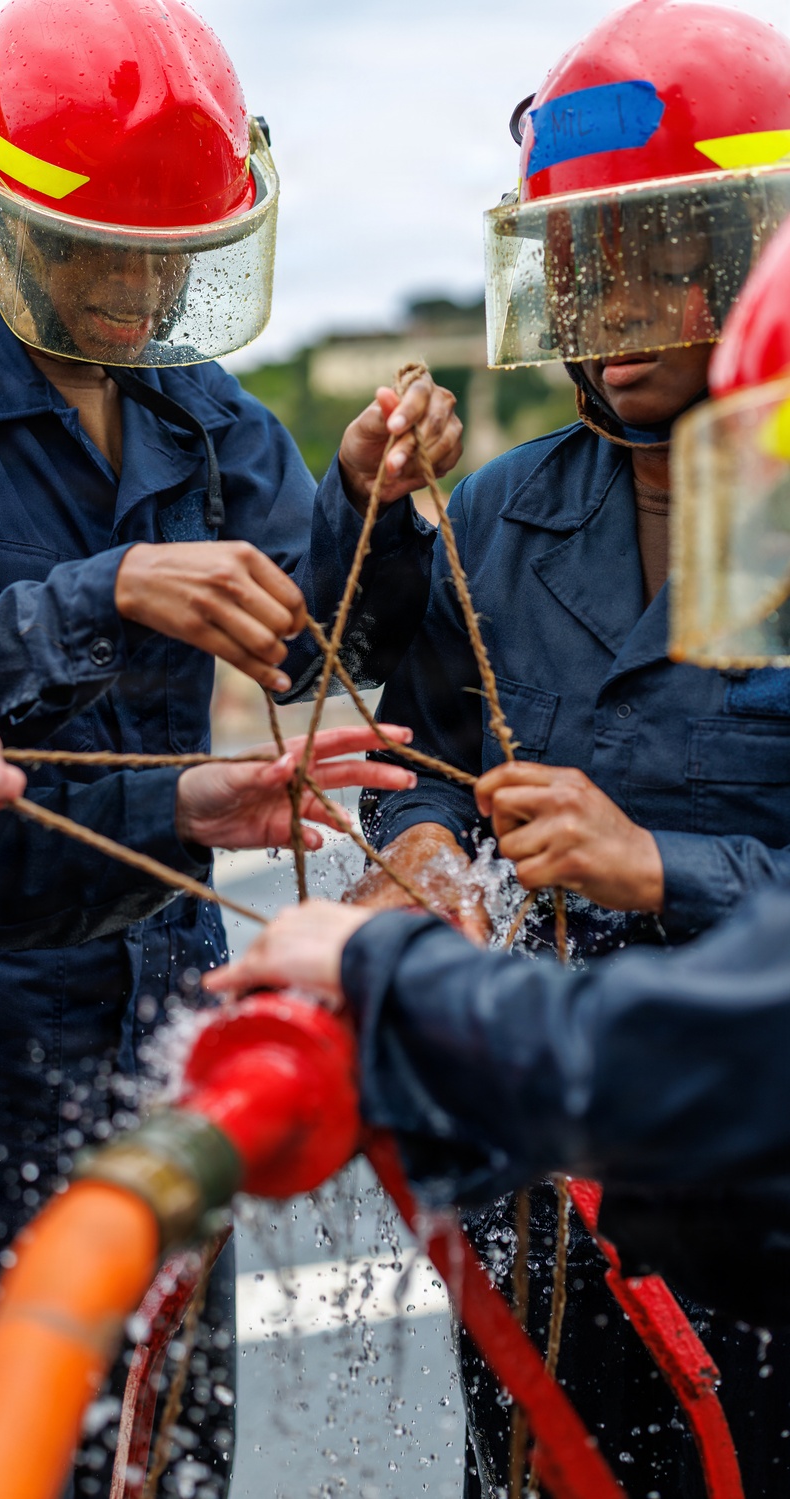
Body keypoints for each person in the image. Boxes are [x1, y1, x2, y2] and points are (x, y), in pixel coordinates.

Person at [0, 5, 462, 1490]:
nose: (133, 293)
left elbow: (316, 648)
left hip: (175, 975)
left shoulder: (212, 414)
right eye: (101, 257)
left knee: (183, 1414)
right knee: (17, 1410)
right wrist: (104, 593)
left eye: (159, 263)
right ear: (1, 220)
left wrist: (370, 503)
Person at [344, 4, 790, 1496]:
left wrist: (657, 864)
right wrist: (412, 847)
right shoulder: (498, 513)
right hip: (542, 1152)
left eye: (663, 255)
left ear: (751, 249)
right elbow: (417, 750)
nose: (616, 304)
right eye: (583, 263)